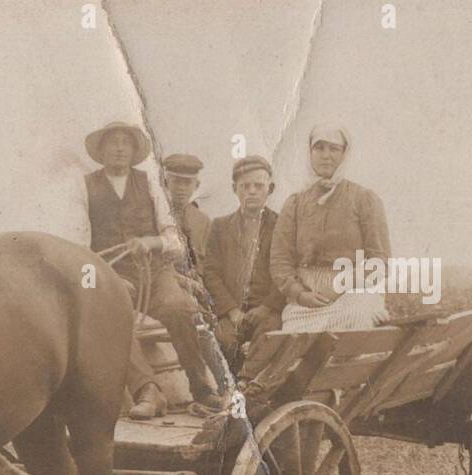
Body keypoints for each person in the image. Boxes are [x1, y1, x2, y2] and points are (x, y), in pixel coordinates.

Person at [69, 122, 226, 419]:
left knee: (177, 308)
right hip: (112, 273)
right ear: (100, 151)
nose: (118, 148)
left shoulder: (150, 183)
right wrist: (105, 276)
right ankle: (148, 391)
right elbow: (80, 243)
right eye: (112, 143)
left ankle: (202, 387)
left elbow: (175, 242)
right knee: (111, 317)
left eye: (124, 143)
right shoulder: (83, 186)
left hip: (155, 270)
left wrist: (150, 241)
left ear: (133, 151)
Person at [269, 125, 391, 332]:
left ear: (345, 153)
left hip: (354, 291)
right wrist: (300, 294)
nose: (326, 156)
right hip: (307, 300)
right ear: (310, 153)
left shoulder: (364, 199)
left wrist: (342, 285)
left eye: (334, 149)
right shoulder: (295, 203)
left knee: (356, 317)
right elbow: (280, 260)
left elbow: (380, 260)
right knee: (293, 338)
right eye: (319, 148)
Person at [201, 155, 286, 363]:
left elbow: (286, 271)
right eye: (245, 186)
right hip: (232, 312)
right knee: (224, 342)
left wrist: (266, 308)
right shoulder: (220, 226)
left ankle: (255, 389)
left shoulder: (283, 226)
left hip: (268, 312)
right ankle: (233, 392)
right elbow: (211, 272)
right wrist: (231, 311)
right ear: (234, 189)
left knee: (268, 340)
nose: (252, 191)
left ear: (271, 188)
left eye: (259, 185)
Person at [161, 153, 211, 268]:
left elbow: (209, 261)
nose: (181, 188)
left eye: (187, 183)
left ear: (197, 185)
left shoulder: (203, 221)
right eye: (176, 181)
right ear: (165, 183)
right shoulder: (158, 214)